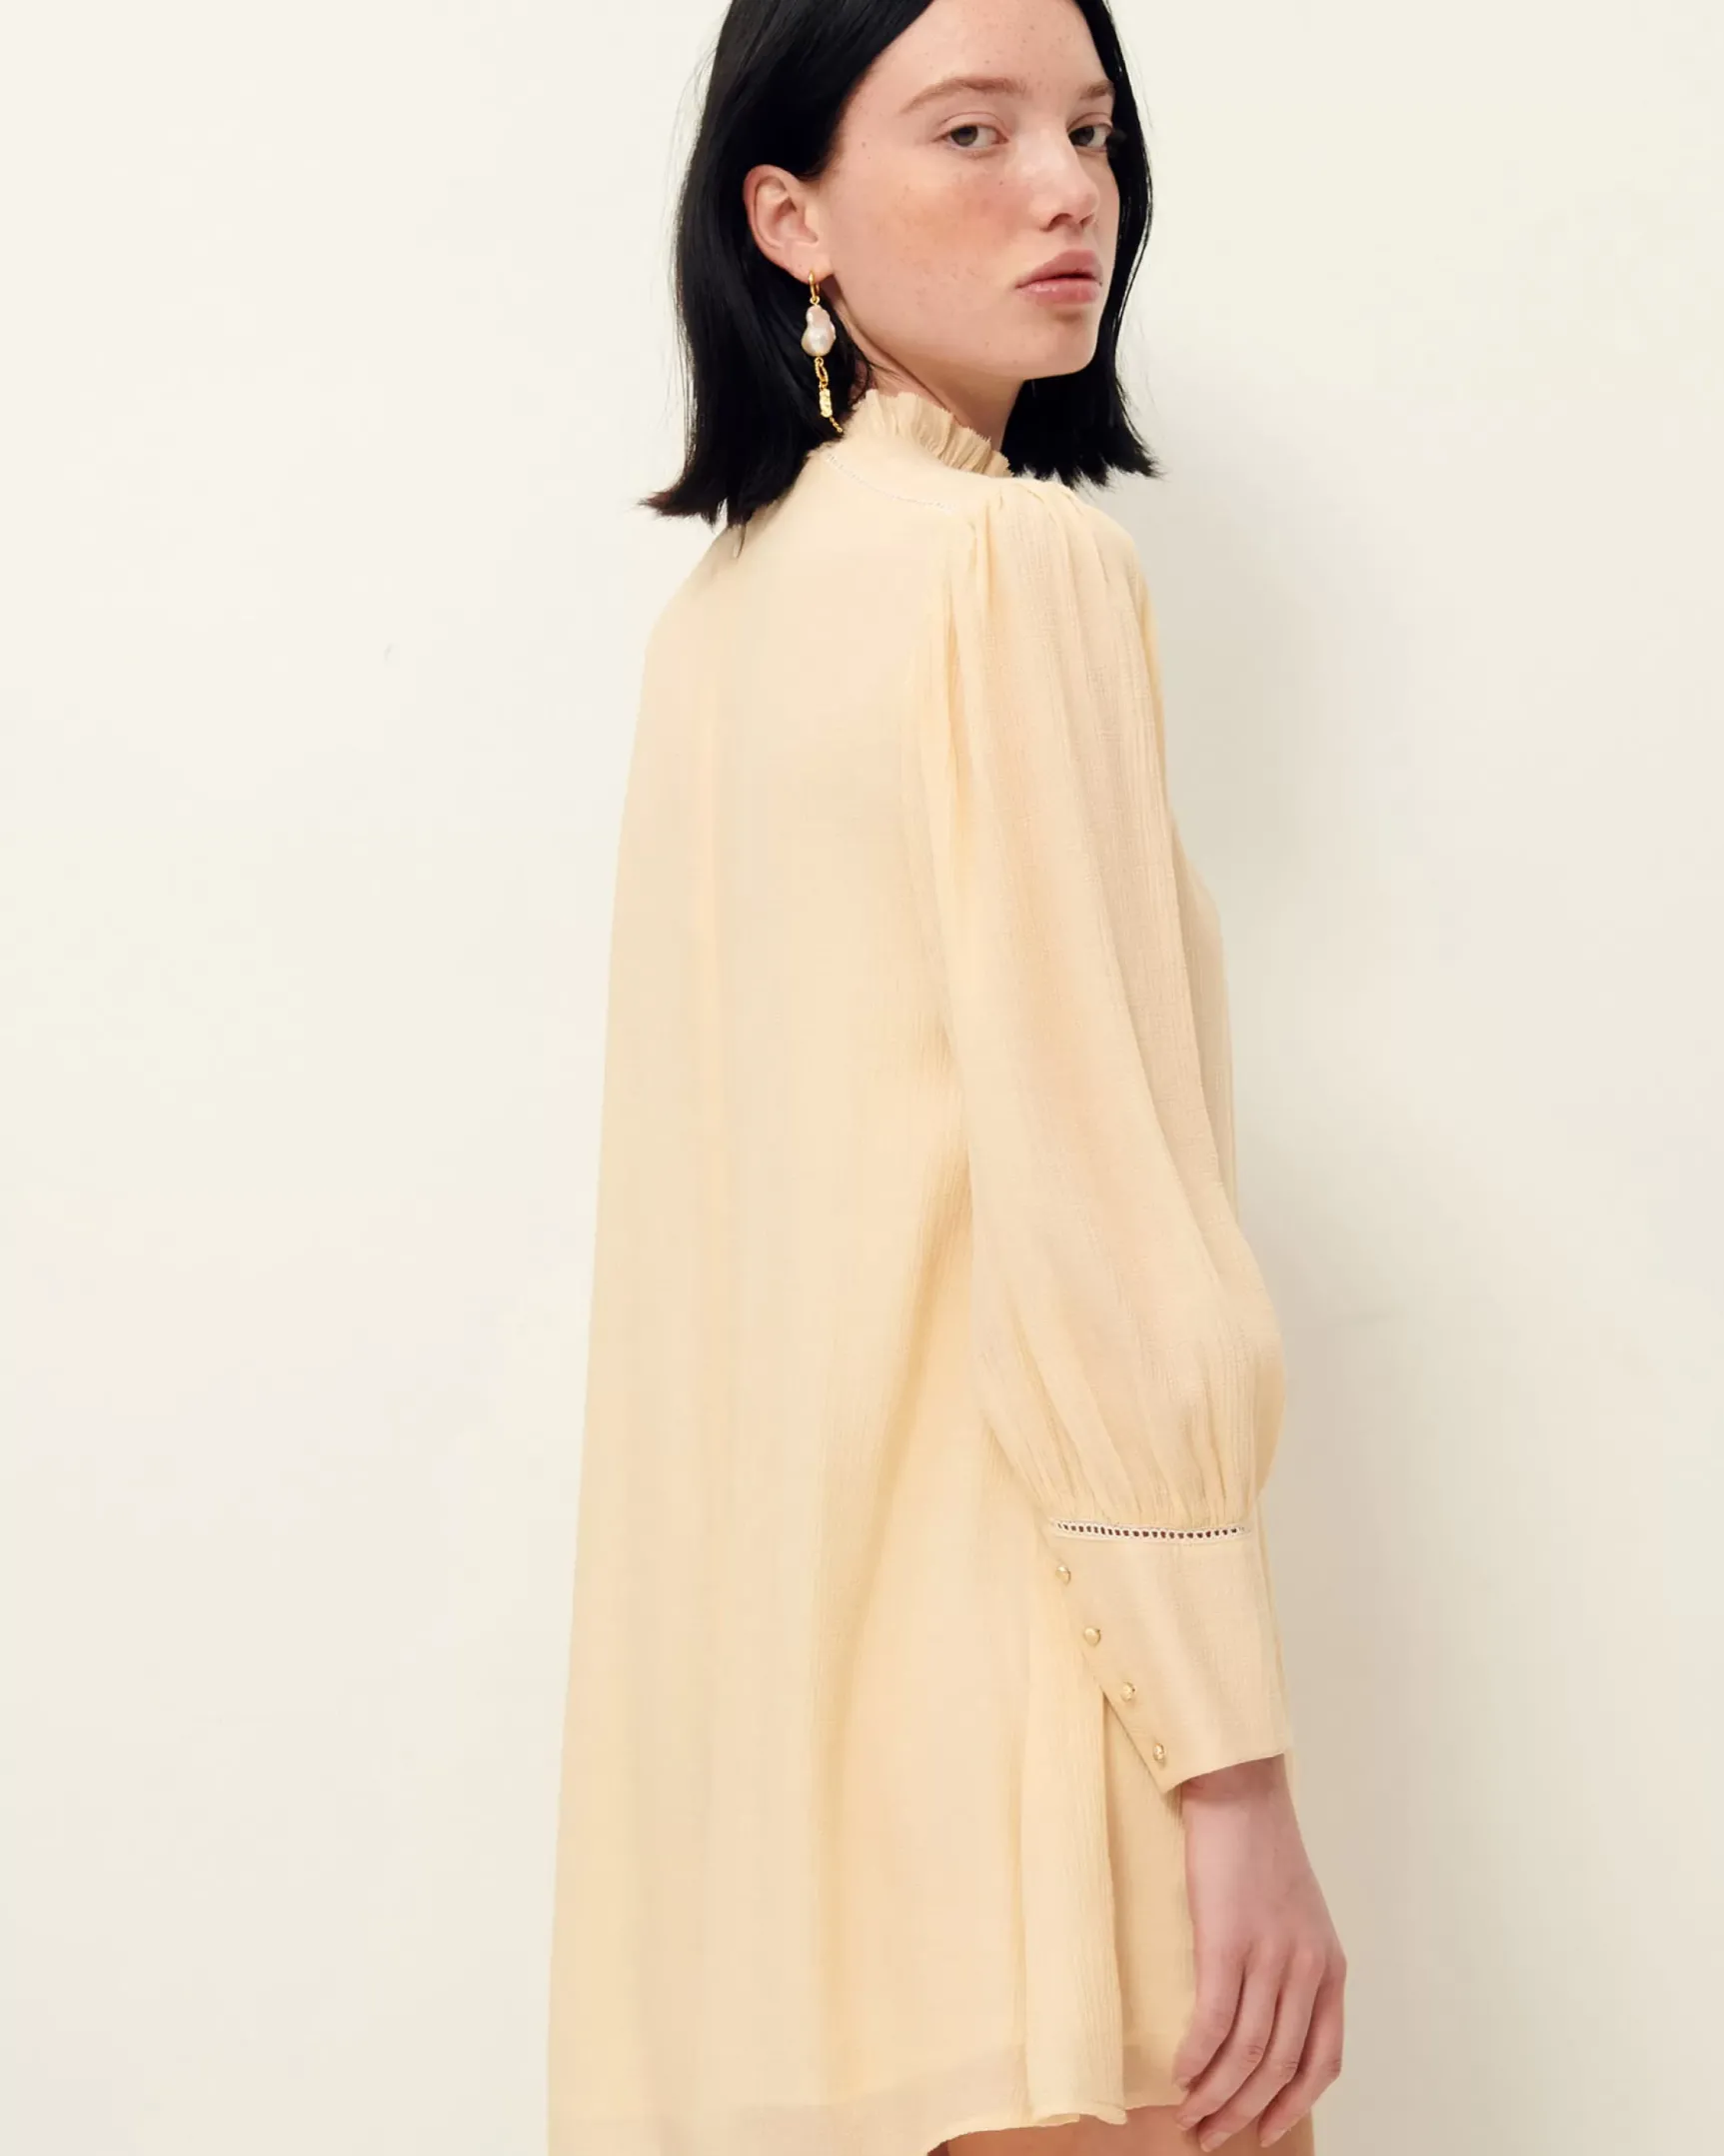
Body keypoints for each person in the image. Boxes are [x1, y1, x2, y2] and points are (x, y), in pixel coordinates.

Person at [547, 2, 1347, 2153]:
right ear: (786, 217)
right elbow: (1096, 1211)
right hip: (1029, 1762)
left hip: (775, 1823)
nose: (1069, 191)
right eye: (972, 132)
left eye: (1090, 128)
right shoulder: (1014, 566)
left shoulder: (722, 621)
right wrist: (1231, 1768)